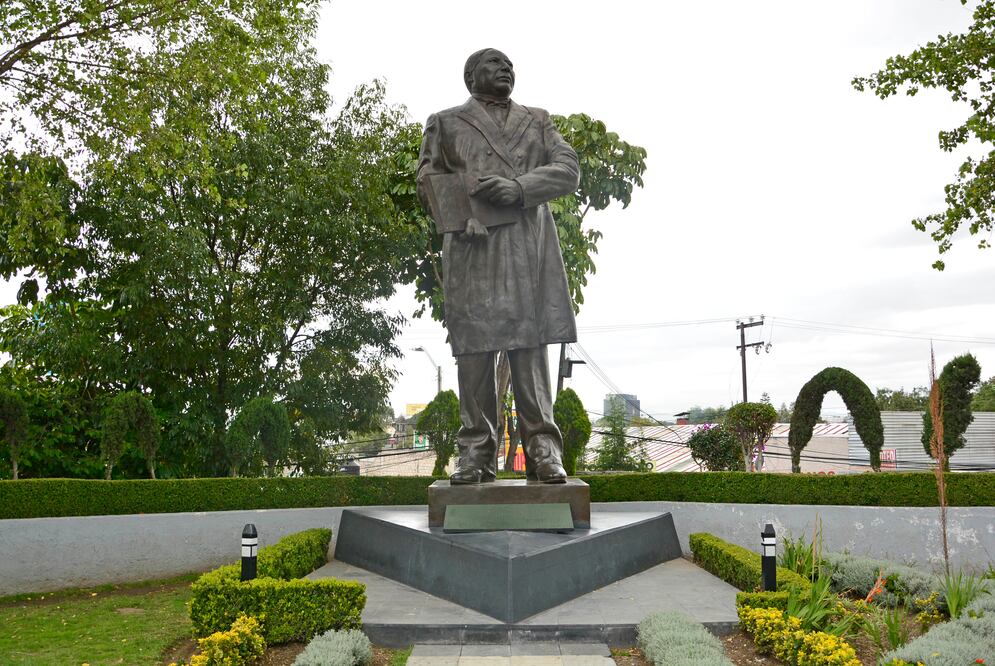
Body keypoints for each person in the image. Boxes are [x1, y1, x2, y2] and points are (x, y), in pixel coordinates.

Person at [416, 48, 580, 485]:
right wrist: (460, 214)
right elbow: (427, 180)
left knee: (529, 349)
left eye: (508, 63)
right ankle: (475, 452)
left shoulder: (538, 120)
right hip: (473, 247)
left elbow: (568, 169)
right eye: (493, 63)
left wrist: (520, 187)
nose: (505, 68)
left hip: (526, 247)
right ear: (471, 76)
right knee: (474, 353)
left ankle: (543, 451)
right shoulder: (446, 122)